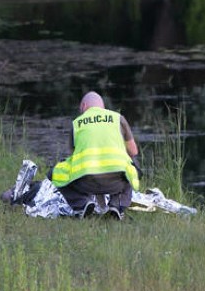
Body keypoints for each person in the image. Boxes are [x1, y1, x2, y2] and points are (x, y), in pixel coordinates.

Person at [51, 91, 140, 219]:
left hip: (86, 183)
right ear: (102, 107)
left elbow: (72, 158)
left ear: (84, 106)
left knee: (56, 172)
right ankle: (117, 204)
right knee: (133, 164)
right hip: (116, 182)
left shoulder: (77, 123)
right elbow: (133, 151)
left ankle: (82, 203)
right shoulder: (117, 118)